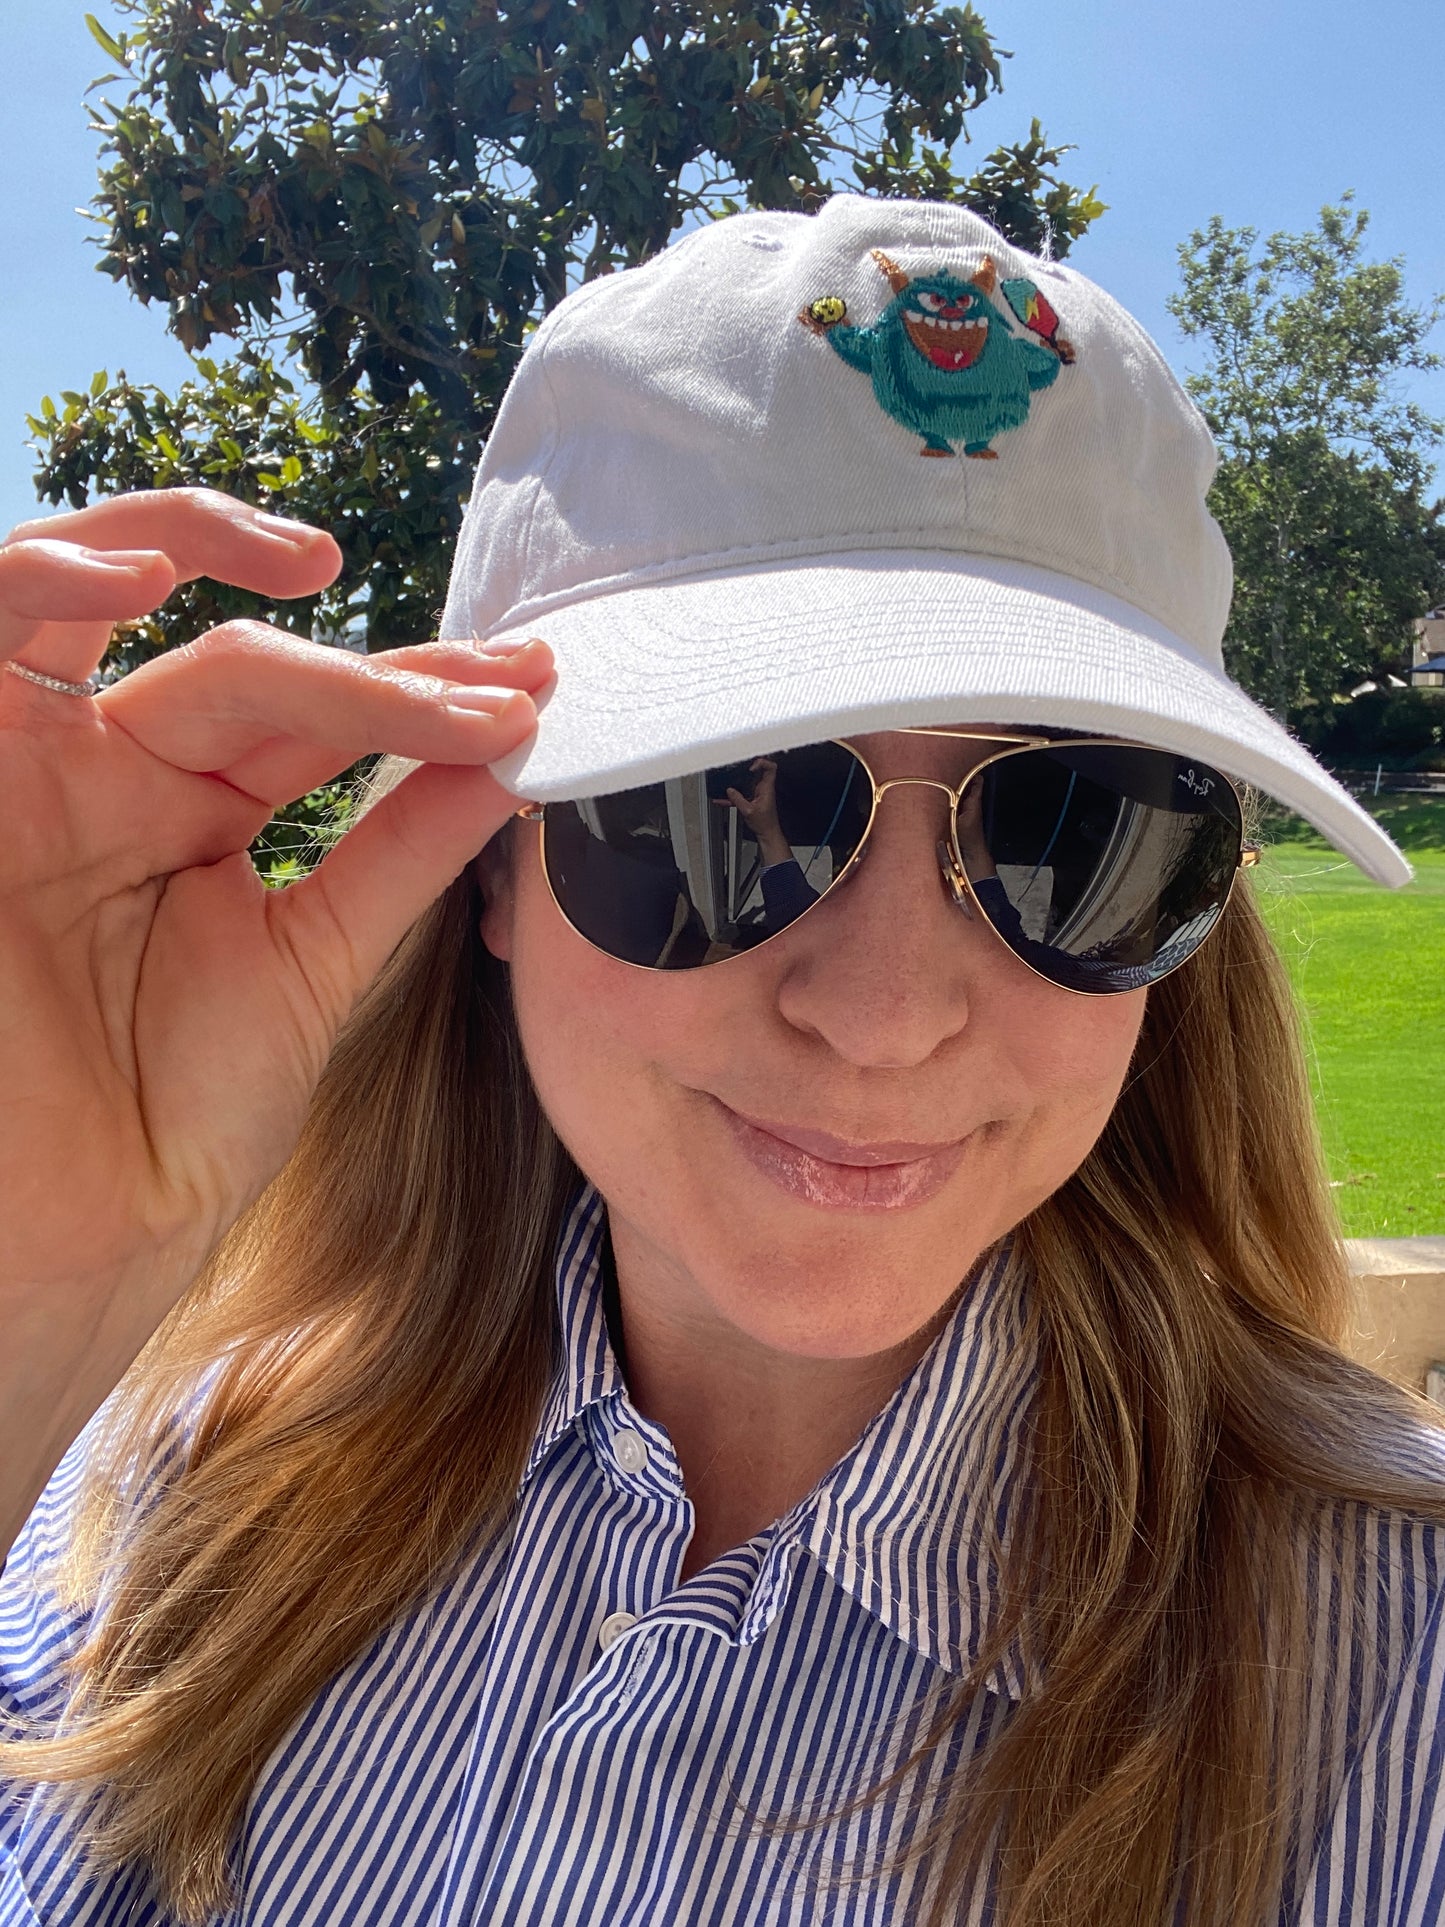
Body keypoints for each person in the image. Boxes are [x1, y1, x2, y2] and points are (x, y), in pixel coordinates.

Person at [0, 194, 1441, 1927]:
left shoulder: (1398, 1661)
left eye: (1084, 827)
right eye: (711, 812)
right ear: (490, 871)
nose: (885, 1013)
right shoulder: (157, 1481)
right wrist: (34, 1327)